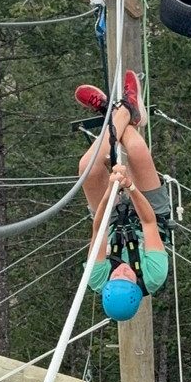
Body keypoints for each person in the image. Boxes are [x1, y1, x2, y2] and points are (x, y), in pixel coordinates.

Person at [76, 71, 170, 322]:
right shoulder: (153, 275)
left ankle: (118, 112)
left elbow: (100, 228)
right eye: (128, 277)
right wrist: (129, 186)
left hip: (110, 220)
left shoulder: (96, 278)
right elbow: (149, 222)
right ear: (136, 287)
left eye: (117, 275)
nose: (124, 270)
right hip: (150, 217)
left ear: (108, 284)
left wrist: (110, 191)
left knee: (86, 166)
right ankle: (125, 110)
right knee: (137, 149)